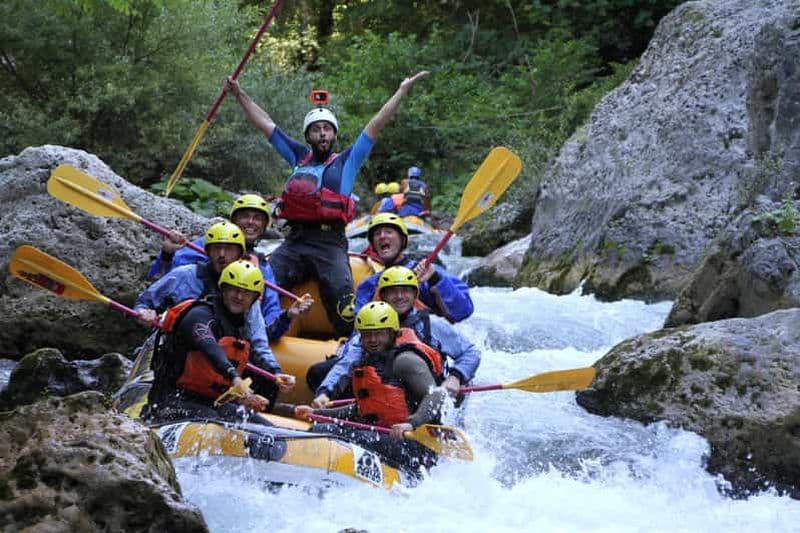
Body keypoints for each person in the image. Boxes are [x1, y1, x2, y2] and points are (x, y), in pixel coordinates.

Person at [224, 71, 429, 337]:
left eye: (327, 129)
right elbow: (266, 124)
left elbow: (377, 122)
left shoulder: (348, 161)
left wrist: (401, 90)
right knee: (259, 284)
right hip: (295, 241)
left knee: (344, 305)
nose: (322, 133)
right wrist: (239, 94)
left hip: (330, 243)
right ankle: (245, 333)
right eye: (316, 129)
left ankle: (355, 346)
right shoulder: (298, 156)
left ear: (333, 134)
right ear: (308, 135)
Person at [134, 221, 296, 402]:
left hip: (217, 369)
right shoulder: (185, 275)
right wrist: (144, 312)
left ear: (240, 254)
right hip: (177, 358)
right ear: (207, 252)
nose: (222, 255)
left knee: (266, 382)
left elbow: (259, 342)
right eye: (217, 248)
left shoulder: (247, 297)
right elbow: (143, 301)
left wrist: (276, 372)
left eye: (229, 249)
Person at [295, 301, 445, 470]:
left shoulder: (405, 360)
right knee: (320, 428)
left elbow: (437, 395)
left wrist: (411, 423)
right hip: (385, 437)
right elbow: (364, 410)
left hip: (415, 446)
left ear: (392, 333)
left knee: (328, 433)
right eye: (367, 335)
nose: (372, 340)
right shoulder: (370, 361)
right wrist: (316, 413)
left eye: (379, 333)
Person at [146, 194, 313, 341]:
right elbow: (165, 280)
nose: (250, 222)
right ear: (234, 220)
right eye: (245, 216)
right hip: (189, 325)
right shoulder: (208, 244)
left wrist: (287, 316)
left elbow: (268, 317)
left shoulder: (262, 267)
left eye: (257, 218)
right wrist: (167, 254)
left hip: (228, 337)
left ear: (264, 226)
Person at [312, 266, 480, 409]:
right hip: (388, 396)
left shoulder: (431, 324)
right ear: (383, 296)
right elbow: (347, 363)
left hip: (427, 394)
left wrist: (455, 377)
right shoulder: (371, 325)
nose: (399, 296)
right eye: (393, 291)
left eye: (405, 291)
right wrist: (325, 392)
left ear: (414, 294)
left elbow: (471, 352)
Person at [145, 261, 289, 423]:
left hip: (212, 403)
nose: (239, 297)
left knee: (262, 427)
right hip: (170, 401)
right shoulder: (199, 315)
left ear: (254, 298)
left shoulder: (241, 327)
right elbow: (210, 348)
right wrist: (234, 377)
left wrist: (274, 374)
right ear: (223, 289)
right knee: (214, 422)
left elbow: (254, 355)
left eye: (246, 293)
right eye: (235, 290)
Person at [359, 213, 473, 322]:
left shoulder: (428, 271)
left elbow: (464, 311)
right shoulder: (370, 285)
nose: (382, 236)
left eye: (388, 232)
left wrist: (435, 279)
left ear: (402, 240)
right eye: (377, 234)